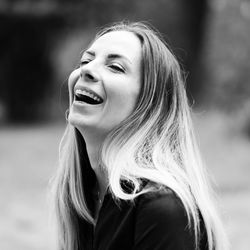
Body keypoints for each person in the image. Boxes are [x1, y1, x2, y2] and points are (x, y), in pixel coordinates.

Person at [51, 21, 228, 250]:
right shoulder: (86, 198)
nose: (87, 69)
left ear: (148, 105)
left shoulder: (162, 209)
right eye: (86, 60)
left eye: (115, 67)